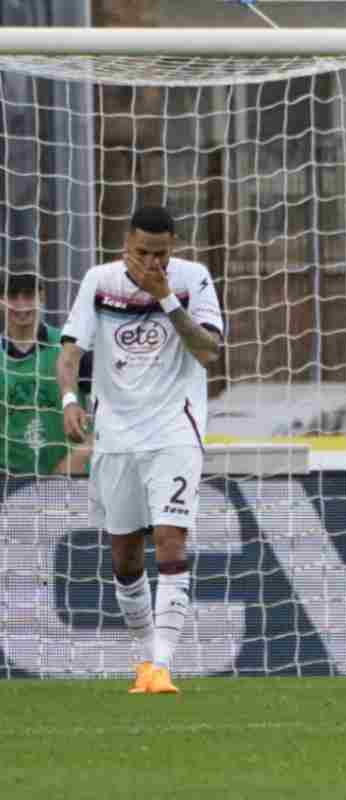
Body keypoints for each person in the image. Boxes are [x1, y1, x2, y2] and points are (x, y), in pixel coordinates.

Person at [57, 206, 223, 695]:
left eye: (161, 253)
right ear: (126, 244)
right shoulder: (99, 280)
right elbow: (69, 353)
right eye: (142, 252)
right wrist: (69, 400)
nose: (151, 262)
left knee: (170, 539)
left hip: (175, 428)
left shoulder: (193, 279)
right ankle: (146, 659)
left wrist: (166, 299)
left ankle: (163, 666)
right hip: (116, 434)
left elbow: (209, 351)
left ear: (174, 247)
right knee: (125, 556)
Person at [1, 272, 91, 476]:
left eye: (28, 295)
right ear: (2, 300)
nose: (21, 305)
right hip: (11, 480)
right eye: (13, 296)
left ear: (42, 297)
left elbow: (113, 410)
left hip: (70, 476)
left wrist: (84, 452)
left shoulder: (69, 348)